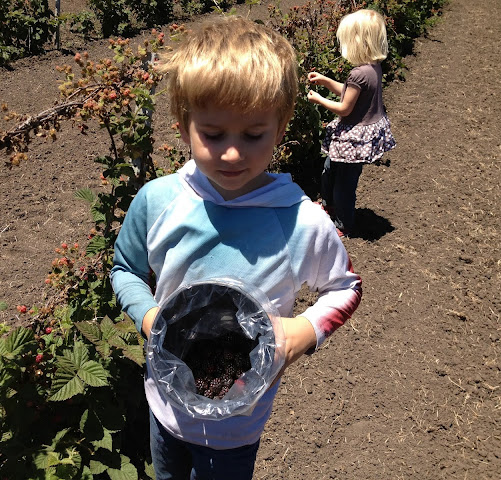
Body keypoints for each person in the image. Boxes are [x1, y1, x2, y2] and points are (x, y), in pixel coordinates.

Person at [110, 15, 362, 480]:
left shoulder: (300, 221)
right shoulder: (158, 202)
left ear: (280, 127)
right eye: (213, 134)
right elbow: (125, 269)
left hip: (238, 425)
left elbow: (345, 287)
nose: (231, 153)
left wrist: (304, 330)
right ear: (183, 126)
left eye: (252, 135)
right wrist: (150, 317)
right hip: (165, 408)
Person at [307, 8, 396, 237]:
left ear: (357, 42)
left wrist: (319, 99)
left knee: (344, 184)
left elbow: (345, 107)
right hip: (361, 136)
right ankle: (328, 205)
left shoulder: (359, 73)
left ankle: (343, 223)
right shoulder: (373, 68)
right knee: (332, 171)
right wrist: (326, 81)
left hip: (353, 139)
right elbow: (350, 93)